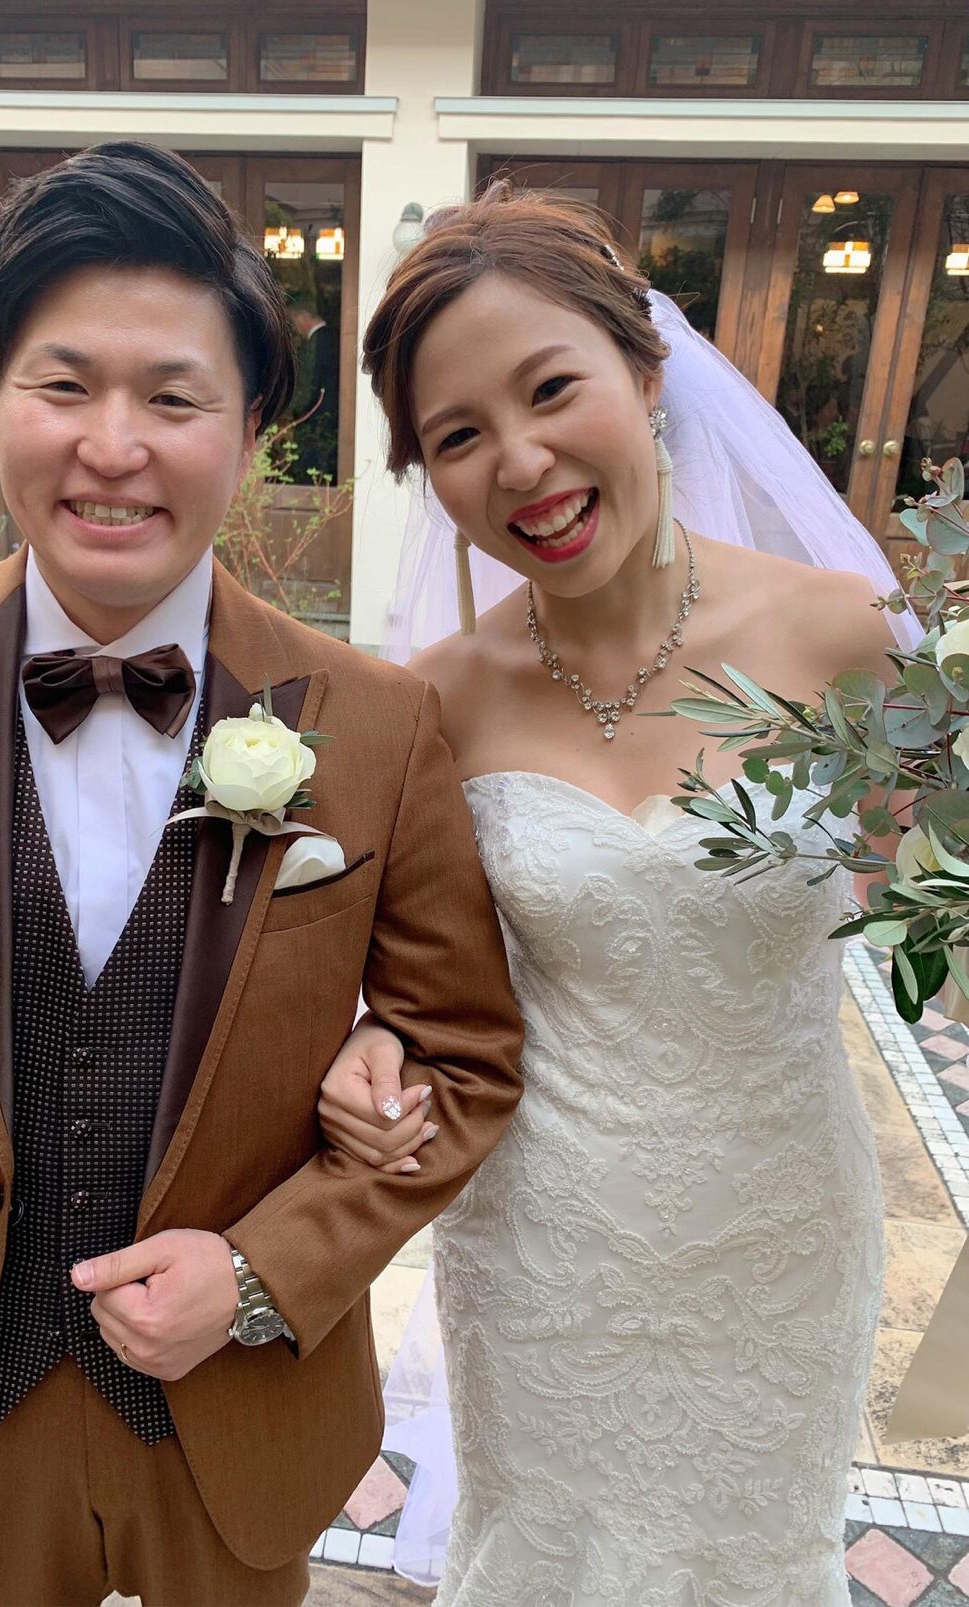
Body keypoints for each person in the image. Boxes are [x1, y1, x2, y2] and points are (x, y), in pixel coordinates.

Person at [0, 143, 524, 1607]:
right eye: (63, 385)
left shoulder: (377, 723)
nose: (113, 446)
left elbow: (465, 1056)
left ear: (251, 431)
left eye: (173, 398)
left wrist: (263, 1272)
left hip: (238, 1399)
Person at [318, 184, 922, 1607]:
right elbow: (413, 976)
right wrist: (371, 1044)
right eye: (458, 435)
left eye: (550, 389)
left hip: (781, 1230)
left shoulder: (844, 634)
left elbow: (924, 883)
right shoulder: (431, 703)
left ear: (646, 373)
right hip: (541, 1241)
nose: (520, 461)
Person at [287, 293, 340, 482]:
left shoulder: (317, 343)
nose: (294, 327)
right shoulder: (334, 337)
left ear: (302, 316)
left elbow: (309, 386)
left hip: (316, 418)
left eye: (292, 320)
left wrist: (293, 411)